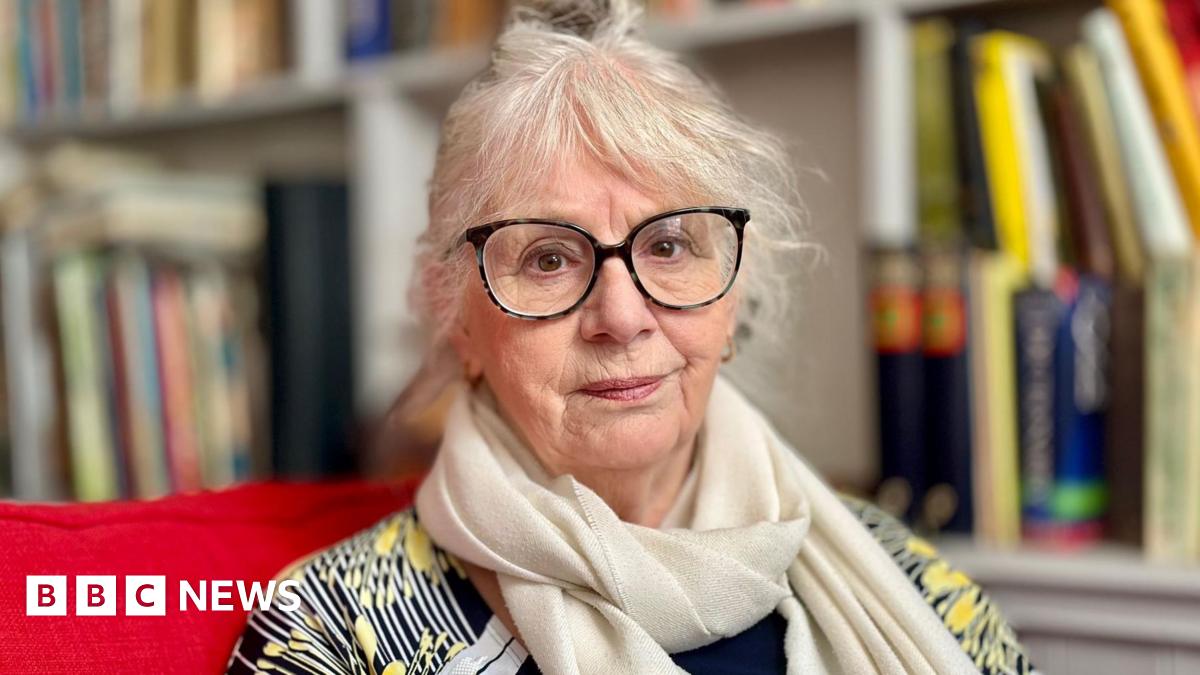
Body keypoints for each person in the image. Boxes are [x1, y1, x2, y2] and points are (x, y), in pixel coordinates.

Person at [226, 1, 1037, 673]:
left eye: (670, 246)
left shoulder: (904, 574)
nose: (621, 315)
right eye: (548, 257)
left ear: (734, 291)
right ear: (456, 314)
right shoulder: (329, 632)